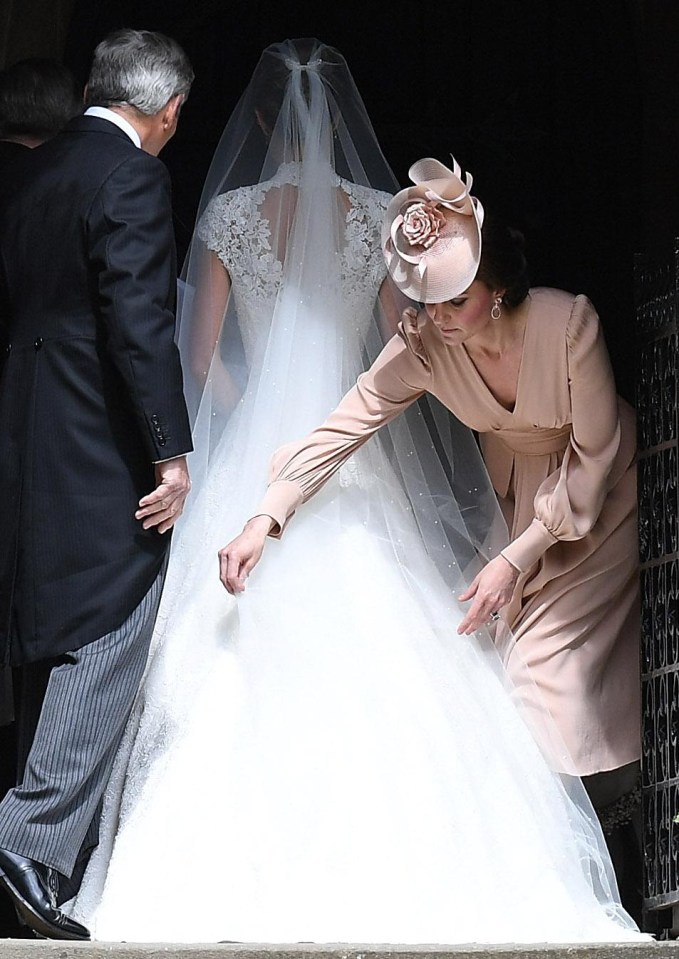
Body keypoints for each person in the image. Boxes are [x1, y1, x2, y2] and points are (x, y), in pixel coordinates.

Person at [67, 40, 648, 944]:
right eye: (423, 302)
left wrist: (508, 555)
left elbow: (201, 357)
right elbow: (354, 407)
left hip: (558, 500)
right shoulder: (408, 315)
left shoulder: (562, 324)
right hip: (417, 465)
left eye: (449, 302)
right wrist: (266, 512)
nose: (432, 316)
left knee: (532, 680)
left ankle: (606, 842)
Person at [0, 28, 194, 940]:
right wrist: (168, 450)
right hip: (95, 432)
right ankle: (28, 836)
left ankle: (45, 862)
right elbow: (137, 320)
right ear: (168, 111)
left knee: (49, 620)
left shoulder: (35, 168)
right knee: (115, 612)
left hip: (27, 425)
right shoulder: (132, 175)